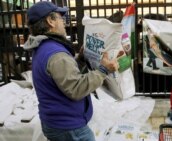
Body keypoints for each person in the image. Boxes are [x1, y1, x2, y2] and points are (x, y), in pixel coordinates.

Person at [23, 1, 120, 141]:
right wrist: (104, 70)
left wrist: (79, 60)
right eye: (60, 17)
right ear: (51, 21)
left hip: (56, 122)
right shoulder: (57, 55)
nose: (64, 22)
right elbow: (76, 88)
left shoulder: (43, 47)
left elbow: (61, 76)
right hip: (68, 128)